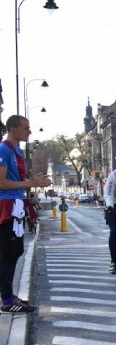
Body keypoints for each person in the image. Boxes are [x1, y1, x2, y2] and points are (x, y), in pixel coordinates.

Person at [0, 115, 51, 313]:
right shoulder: (4, 149)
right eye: (26, 128)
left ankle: (8, 296)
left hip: (16, 204)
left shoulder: (17, 151)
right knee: (7, 253)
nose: (29, 131)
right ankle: (6, 300)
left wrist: (33, 179)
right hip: (7, 205)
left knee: (15, 252)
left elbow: (16, 179)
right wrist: (30, 183)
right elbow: (2, 182)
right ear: (13, 129)